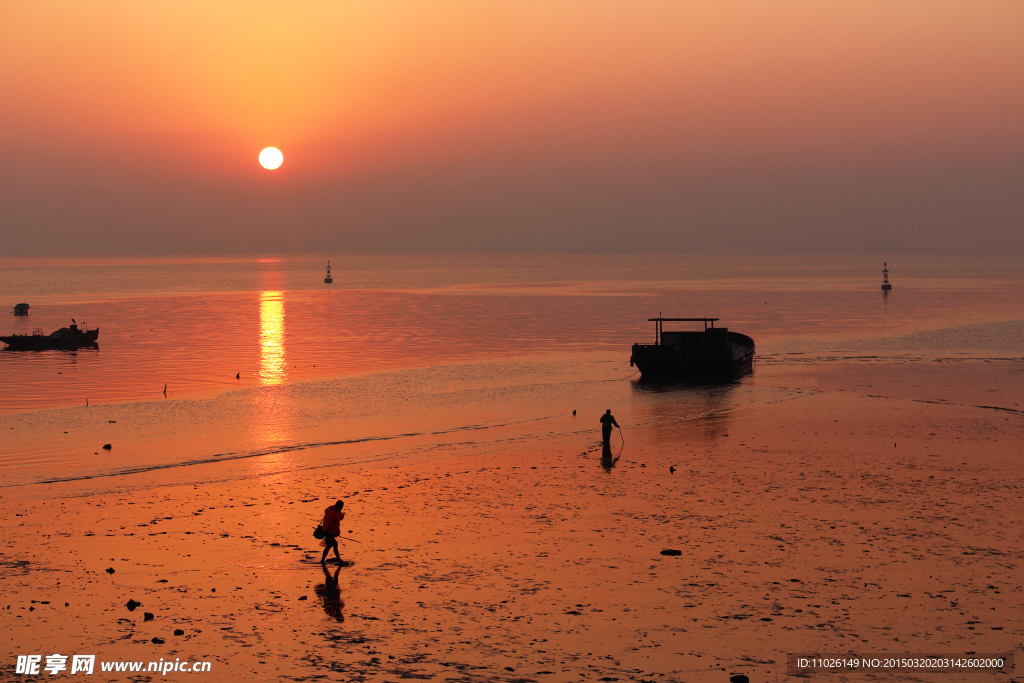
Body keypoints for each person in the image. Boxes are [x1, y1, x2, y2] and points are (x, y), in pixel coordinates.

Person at [319, 500, 345, 564]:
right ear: (338, 506)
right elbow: (328, 523)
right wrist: (330, 531)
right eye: (341, 507)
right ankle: (339, 560)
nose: (341, 508)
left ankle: (322, 560)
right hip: (328, 532)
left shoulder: (337, 513)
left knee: (329, 546)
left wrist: (337, 531)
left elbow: (337, 522)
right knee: (334, 545)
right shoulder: (331, 513)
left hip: (332, 532)